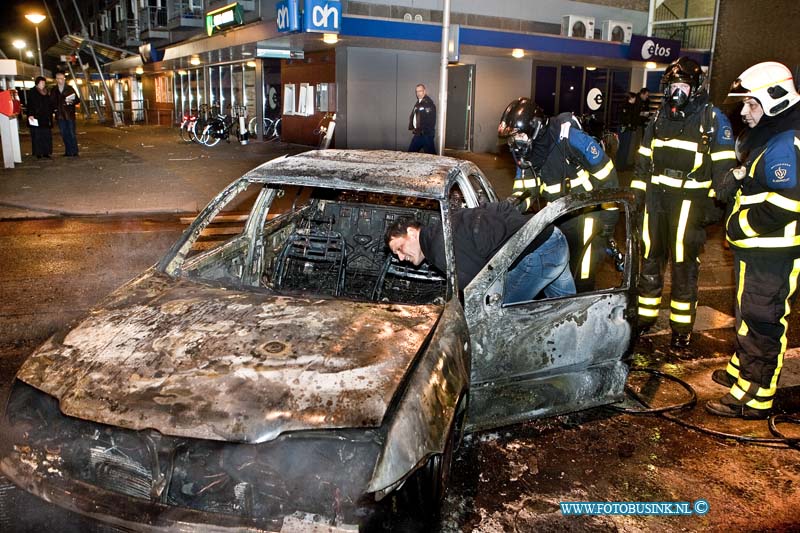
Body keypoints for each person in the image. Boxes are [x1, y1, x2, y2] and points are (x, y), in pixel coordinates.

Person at [705, 61, 800, 419]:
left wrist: (739, 227)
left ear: (774, 100)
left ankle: (754, 397)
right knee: (747, 315)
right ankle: (740, 373)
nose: (743, 111)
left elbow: (789, 201)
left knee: (761, 321)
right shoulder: (773, 133)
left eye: (751, 104)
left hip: (772, 252)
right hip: (761, 250)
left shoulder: (784, 141)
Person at [631, 57, 737, 350]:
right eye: (673, 85)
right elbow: (642, 161)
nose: (678, 91)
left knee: (683, 266)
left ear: (695, 88)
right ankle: (645, 317)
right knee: (650, 258)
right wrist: (637, 198)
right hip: (656, 200)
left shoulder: (711, 119)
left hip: (689, 205)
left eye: (683, 85)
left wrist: (713, 211)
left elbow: (724, 173)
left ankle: (681, 328)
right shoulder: (657, 118)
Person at [498, 97, 619, 292]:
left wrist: (609, 218)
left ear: (534, 128)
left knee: (583, 274)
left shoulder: (570, 137)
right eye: (512, 138)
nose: (515, 143)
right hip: (556, 215)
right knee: (558, 269)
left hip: (586, 215)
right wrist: (510, 207)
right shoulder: (527, 154)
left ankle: (582, 316)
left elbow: (607, 176)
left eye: (519, 136)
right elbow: (526, 189)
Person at [385, 201, 575, 301]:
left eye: (399, 248)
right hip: (553, 236)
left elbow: (480, 289)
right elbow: (501, 207)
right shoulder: (448, 222)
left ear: (411, 232)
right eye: (397, 255)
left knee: (495, 314)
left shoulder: (439, 250)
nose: (401, 258)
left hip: (540, 254)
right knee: (569, 310)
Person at [51, 71, 81, 157]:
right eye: (59, 78)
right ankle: (68, 151)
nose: (61, 80)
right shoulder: (54, 90)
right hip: (60, 114)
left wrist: (71, 101)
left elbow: (77, 100)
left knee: (71, 133)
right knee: (64, 133)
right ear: (56, 79)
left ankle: (74, 151)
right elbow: (52, 101)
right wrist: (55, 109)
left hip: (69, 114)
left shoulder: (69, 88)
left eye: (62, 78)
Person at [26, 76, 53, 160]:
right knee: (37, 135)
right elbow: (30, 104)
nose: (43, 84)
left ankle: (46, 152)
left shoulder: (46, 92)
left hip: (46, 117)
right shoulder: (32, 92)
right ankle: (38, 152)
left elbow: (49, 103)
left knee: (46, 135)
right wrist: (30, 114)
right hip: (36, 117)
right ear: (37, 83)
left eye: (44, 83)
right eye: (41, 83)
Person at [408, 84, 436, 154]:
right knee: (411, 154)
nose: (418, 93)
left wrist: (425, 132)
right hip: (419, 134)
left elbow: (430, 120)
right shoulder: (419, 102)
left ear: (424, 91)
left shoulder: (428, 103)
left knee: (431, 156)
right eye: (417, 91)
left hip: (426, 135)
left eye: (420, 91)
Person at [616, 92, 638, 171]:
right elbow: (626, 118)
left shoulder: (625, 106)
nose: (635, 99)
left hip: (625, 128)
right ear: (631, 98)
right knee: (624, 147)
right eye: (634, 98)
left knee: (624, 147)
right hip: (625, 129)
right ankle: (620, 166)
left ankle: (621, 165)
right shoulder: (627, 107)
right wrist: (629, 124)